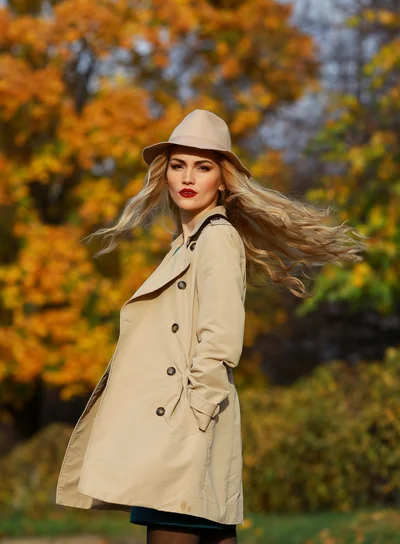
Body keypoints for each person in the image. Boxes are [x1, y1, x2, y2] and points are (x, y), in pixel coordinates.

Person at [55, 109, 367, 544]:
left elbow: (219, 340)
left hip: (183, 432)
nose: (188, 177)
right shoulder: (189, 243)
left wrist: (192, 420)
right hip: (183, 429)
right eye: (178, 165)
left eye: (203, 167)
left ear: (222, 180)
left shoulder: (216, 238)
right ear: (164, 175)